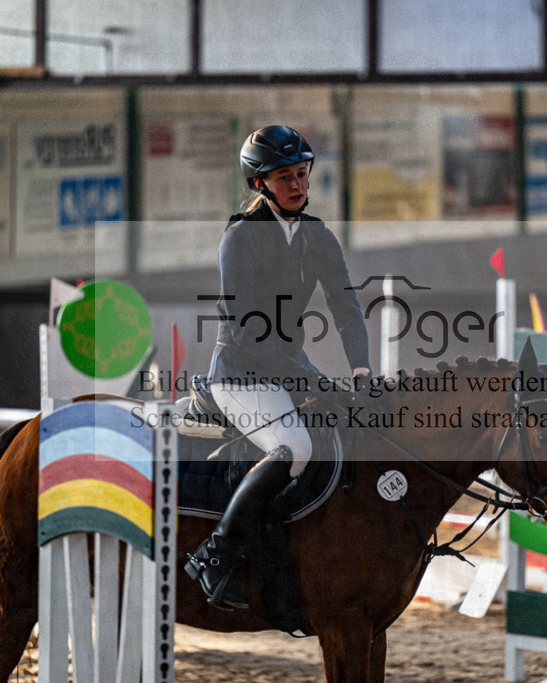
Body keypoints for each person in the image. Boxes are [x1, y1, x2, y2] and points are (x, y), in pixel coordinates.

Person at [184, 125, 371, 610]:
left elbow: (346, 309)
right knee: (295, 447)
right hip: (240, 372)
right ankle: (216, 550)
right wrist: (311, 380)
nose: (298, 185)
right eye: (284, 177)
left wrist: (361, 371)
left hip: (290, 365)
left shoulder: (318, 237)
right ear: (259, 185)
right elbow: (247, 333)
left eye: (302, 174)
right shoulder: (240, 240)